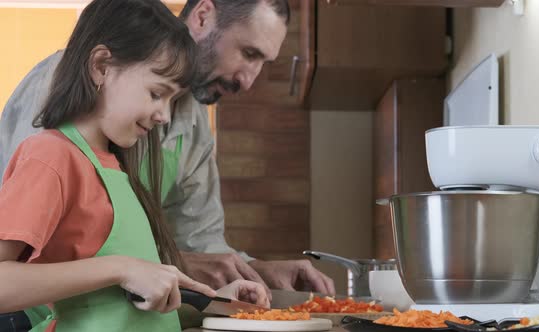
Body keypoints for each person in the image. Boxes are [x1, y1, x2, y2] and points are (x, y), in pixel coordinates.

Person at [0, 0, 335, 296]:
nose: (248, 81)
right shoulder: (56, 131)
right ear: (203, 16)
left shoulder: (177, 124)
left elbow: (194, 243)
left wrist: (251, 273)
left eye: (171, 98)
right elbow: (38, 253)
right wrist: (147, 267)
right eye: (249, 53)